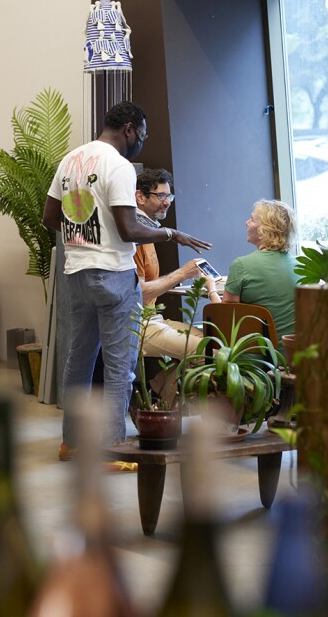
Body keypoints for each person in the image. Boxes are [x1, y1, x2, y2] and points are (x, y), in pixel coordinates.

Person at [43, 101, 211, 458]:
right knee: (120, 364)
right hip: (114, 275)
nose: (142, 142)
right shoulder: (118, 166)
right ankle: (112, 447)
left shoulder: (71, 160)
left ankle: (70, 443)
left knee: (79, 359)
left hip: (76, 273)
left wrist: (85, 237)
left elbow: (49, 217)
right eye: (143, 135)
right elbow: (127, 227)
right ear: (130, 128)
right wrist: (171, 235)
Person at [133, 169, 215, 359]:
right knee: (213, 352)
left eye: (169, 195)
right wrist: (182, 273)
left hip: (152, 319)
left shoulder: (149, 230)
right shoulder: (136, 238)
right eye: (161, 195)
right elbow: (139, 294)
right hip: (137, 326)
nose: (168, 201)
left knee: (214, 340)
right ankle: (164, 386)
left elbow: (145, 284)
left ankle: (163, 385)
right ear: (140, 197)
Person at [216, 199, 299, 339]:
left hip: (254, 357)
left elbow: (225, 320)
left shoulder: (241, 265)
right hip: (293, 354)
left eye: (252, 220)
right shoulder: (300, 266)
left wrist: (211, 289)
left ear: (264, 230)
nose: (246, 223)